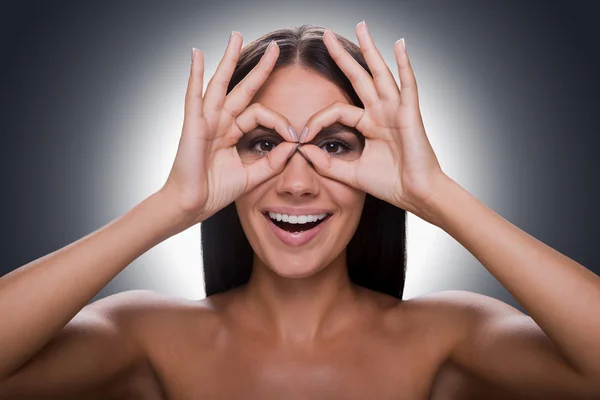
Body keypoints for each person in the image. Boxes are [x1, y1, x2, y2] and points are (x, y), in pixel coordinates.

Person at [0, 22, 598, 400]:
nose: (296, 182)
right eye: (264, 144)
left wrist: (434, 192)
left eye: (333, 146)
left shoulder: (445, 338)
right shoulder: (149, 336)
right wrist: (170, 206)